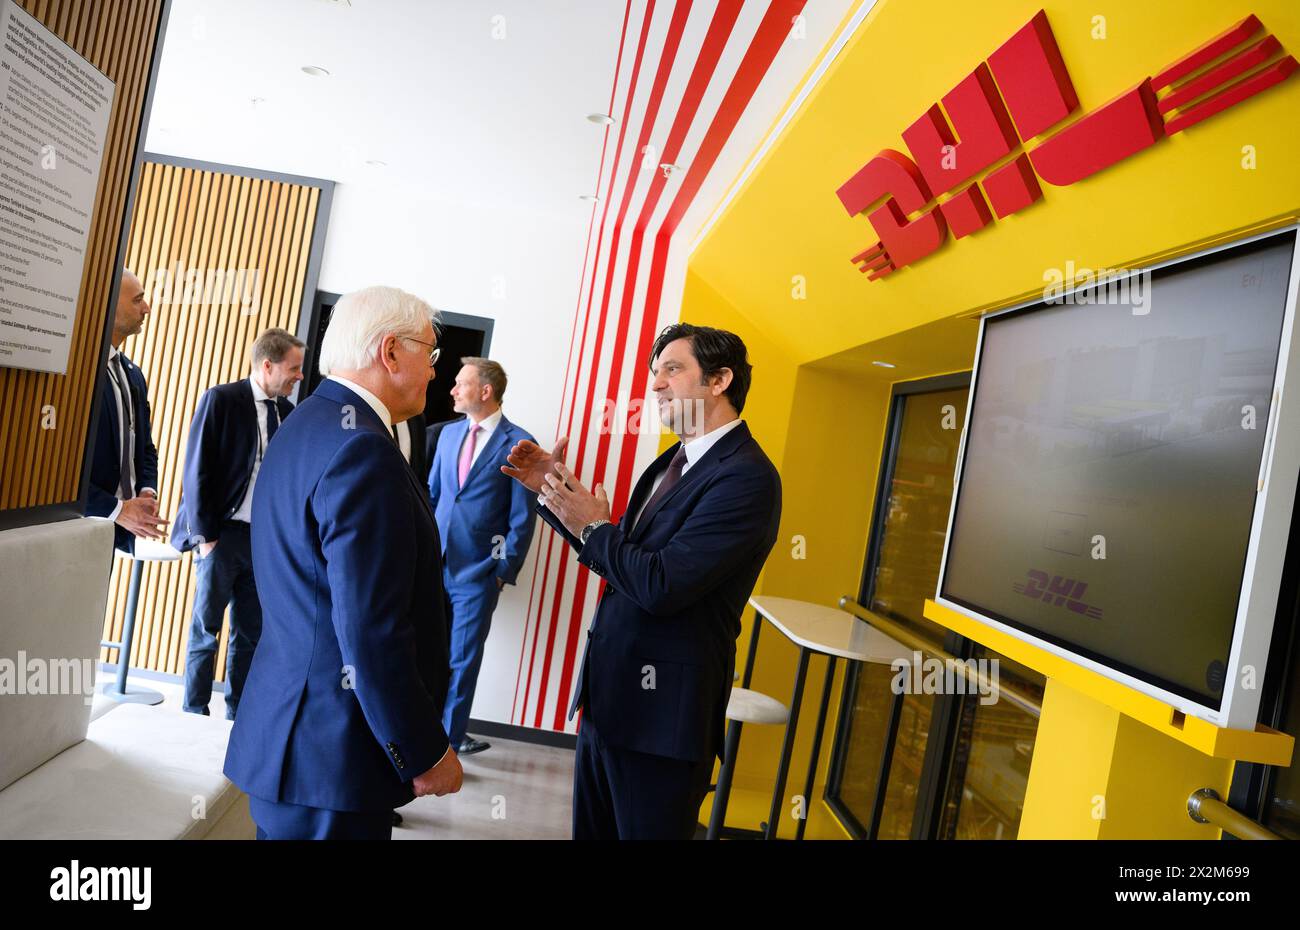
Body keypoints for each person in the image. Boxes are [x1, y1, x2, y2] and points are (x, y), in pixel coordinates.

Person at [503, 322, 782, 840]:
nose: (655, 385)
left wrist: (594, 525)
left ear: (719, 381)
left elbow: (660, 585)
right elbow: (622, 562)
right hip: (608, 704)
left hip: (663, 725)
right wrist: (556, 493)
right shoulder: (669, 463)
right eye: (654, 372)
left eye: (672, 370)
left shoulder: (747, 477)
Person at [224, 286, 462, 840]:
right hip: (330, 747)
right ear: (390, 351)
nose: (433, 371)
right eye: (429, 354)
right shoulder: (364, 450)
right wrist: (424, 749)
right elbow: (370, 627)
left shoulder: (308, 423)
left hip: (295, 734)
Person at [171, 328, 305, 719]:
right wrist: (205, 536)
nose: (299, 376)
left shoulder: (288, 413)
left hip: (262, 544)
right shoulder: (222, 399)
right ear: (268, 365)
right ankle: (194, 711)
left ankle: (237, 715)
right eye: (293, 368)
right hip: (220, 536)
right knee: (205, 631)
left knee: (249, 635)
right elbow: (196, 470)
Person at [429, 358, 537, 755]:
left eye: (461, 384)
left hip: (478, 573)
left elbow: (522, 518)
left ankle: (446, 747)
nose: (453, 390)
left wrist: (502, 570)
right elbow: (435, 497)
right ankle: (419, 736)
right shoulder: (446, 436)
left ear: (485, 391)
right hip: (433, 564)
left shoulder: (520, 443)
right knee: (425, 654)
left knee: (462, 661)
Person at [87, 269, 168, 551]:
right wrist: (116, 509)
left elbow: (145, 447)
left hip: (116, 532)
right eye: (138, 300)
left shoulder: (133, 375)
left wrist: (147, 490)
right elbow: (56, 464)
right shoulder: (77, 373)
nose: (146, 308)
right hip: (77, 525)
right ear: (108, 303)